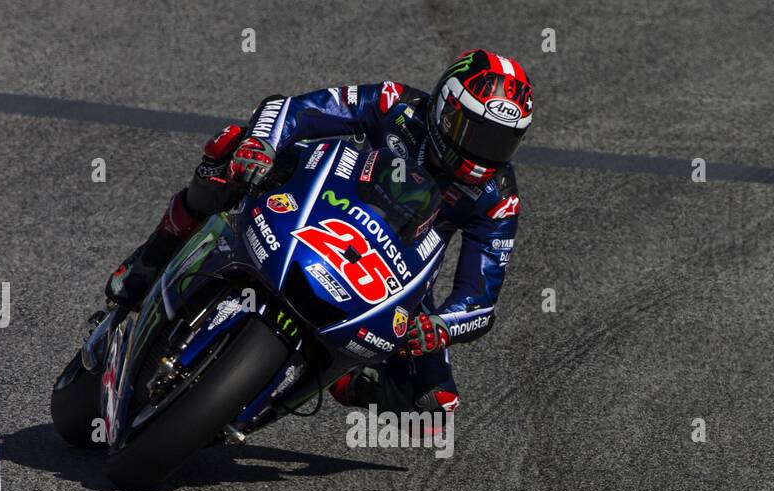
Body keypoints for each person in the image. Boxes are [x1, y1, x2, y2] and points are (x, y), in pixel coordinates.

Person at [105, 48, 533, 417]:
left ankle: (340, 377)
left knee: (435, 403)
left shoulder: (498, 196)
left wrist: (440, 324)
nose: (483, 152)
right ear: (446, 109)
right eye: (475, 133)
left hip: (397, 265)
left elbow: (480, 297)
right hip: (326, 195)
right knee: (229, 151)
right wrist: (263, 145)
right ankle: (154, 254)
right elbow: (297, 109)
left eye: (501, 142)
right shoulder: (395, 103)